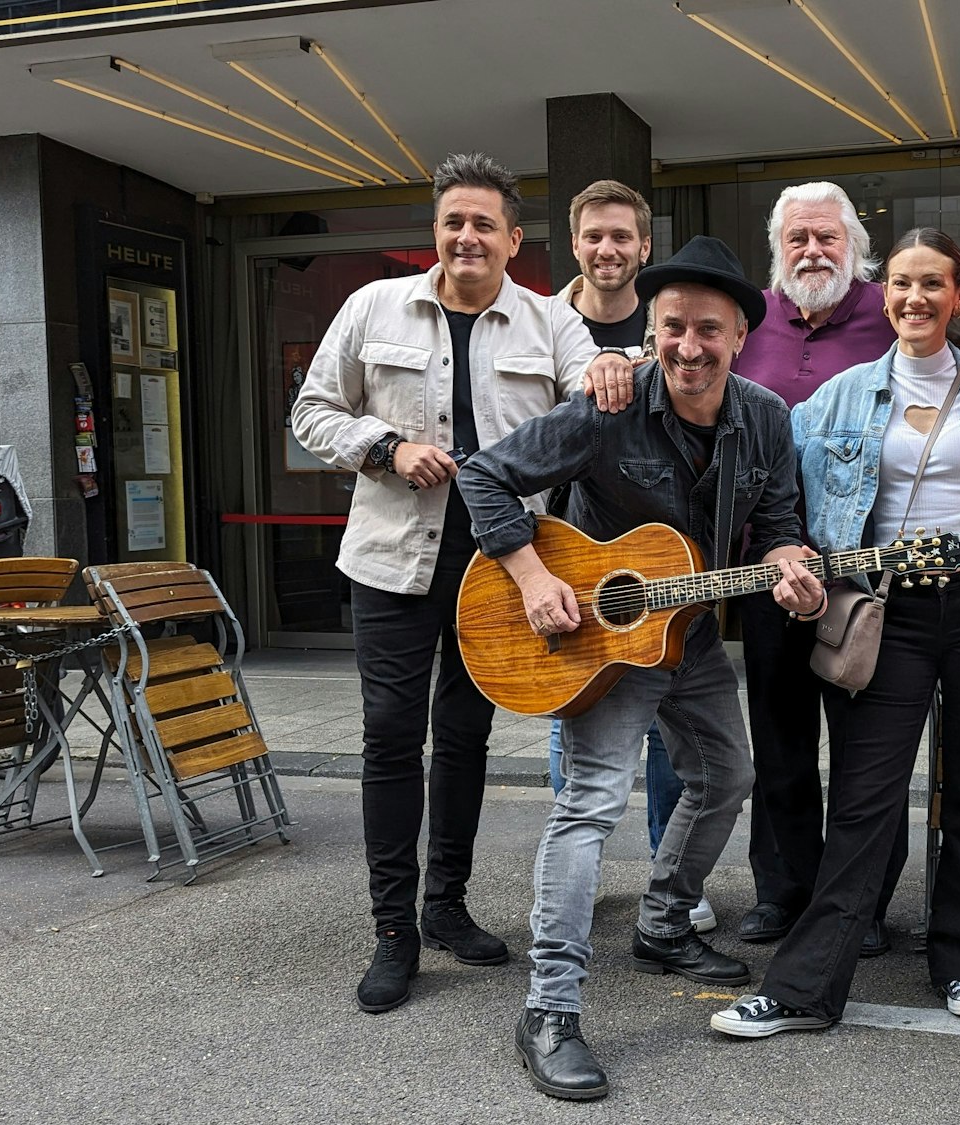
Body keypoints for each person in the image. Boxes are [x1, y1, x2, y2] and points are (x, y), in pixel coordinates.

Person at [458, 236, 824, 1101]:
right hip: (595, 634)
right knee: (589, 804)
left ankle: (663, 920)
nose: (688, 346)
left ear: (739, 336)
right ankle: (548, 1008)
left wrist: (791, 569)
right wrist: (535, 574)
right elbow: (483, 478)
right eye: (671, 328)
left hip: (688, 635)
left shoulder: (766, 417)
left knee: (728, 773)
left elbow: (775, 519)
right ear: (649, 330)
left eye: (708, 329)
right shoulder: (607, 403)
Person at [292, 152, 634, 1016]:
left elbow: (597, 400)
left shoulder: (549, 325)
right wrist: (385, 447)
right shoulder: (373, 307)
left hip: (502, 568)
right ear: (436, 232)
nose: (468, 236)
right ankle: (392, 929)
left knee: (468, 735)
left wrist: (608, 367)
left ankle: (445, 904)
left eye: (485, 223)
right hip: (391, 562)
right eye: (454, 221)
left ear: (514, 240)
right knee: (390, 737)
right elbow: (310, 411)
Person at [709, 228, 960, 1038]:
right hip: (888, 614)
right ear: (882, 292)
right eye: (901, 284)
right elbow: (781, 492)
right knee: (865, 799)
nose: (915, 300)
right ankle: (802, 989)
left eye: (933, 284)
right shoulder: (840, 396)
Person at [732, 181, 902, 954]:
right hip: (764, 569)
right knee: (780, 736)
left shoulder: (888, 315)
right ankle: (783, 889)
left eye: (827, 238)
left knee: (868, 747)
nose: (813, 251)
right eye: (797, 238)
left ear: (854, 245)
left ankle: (859, 902)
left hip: (866, 573)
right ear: (778, 248)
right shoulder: (752, 321)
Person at [540, 178, 714, 932]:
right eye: (592, 237)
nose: (607, 250)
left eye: (622, 237)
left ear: (645, 246)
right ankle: (577, 871)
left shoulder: (668, 327)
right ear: (573, 245)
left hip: (653, 564)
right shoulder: (540, 325)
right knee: (573, 732)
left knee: (673, 741)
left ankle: (665, 872)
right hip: (565, 558)